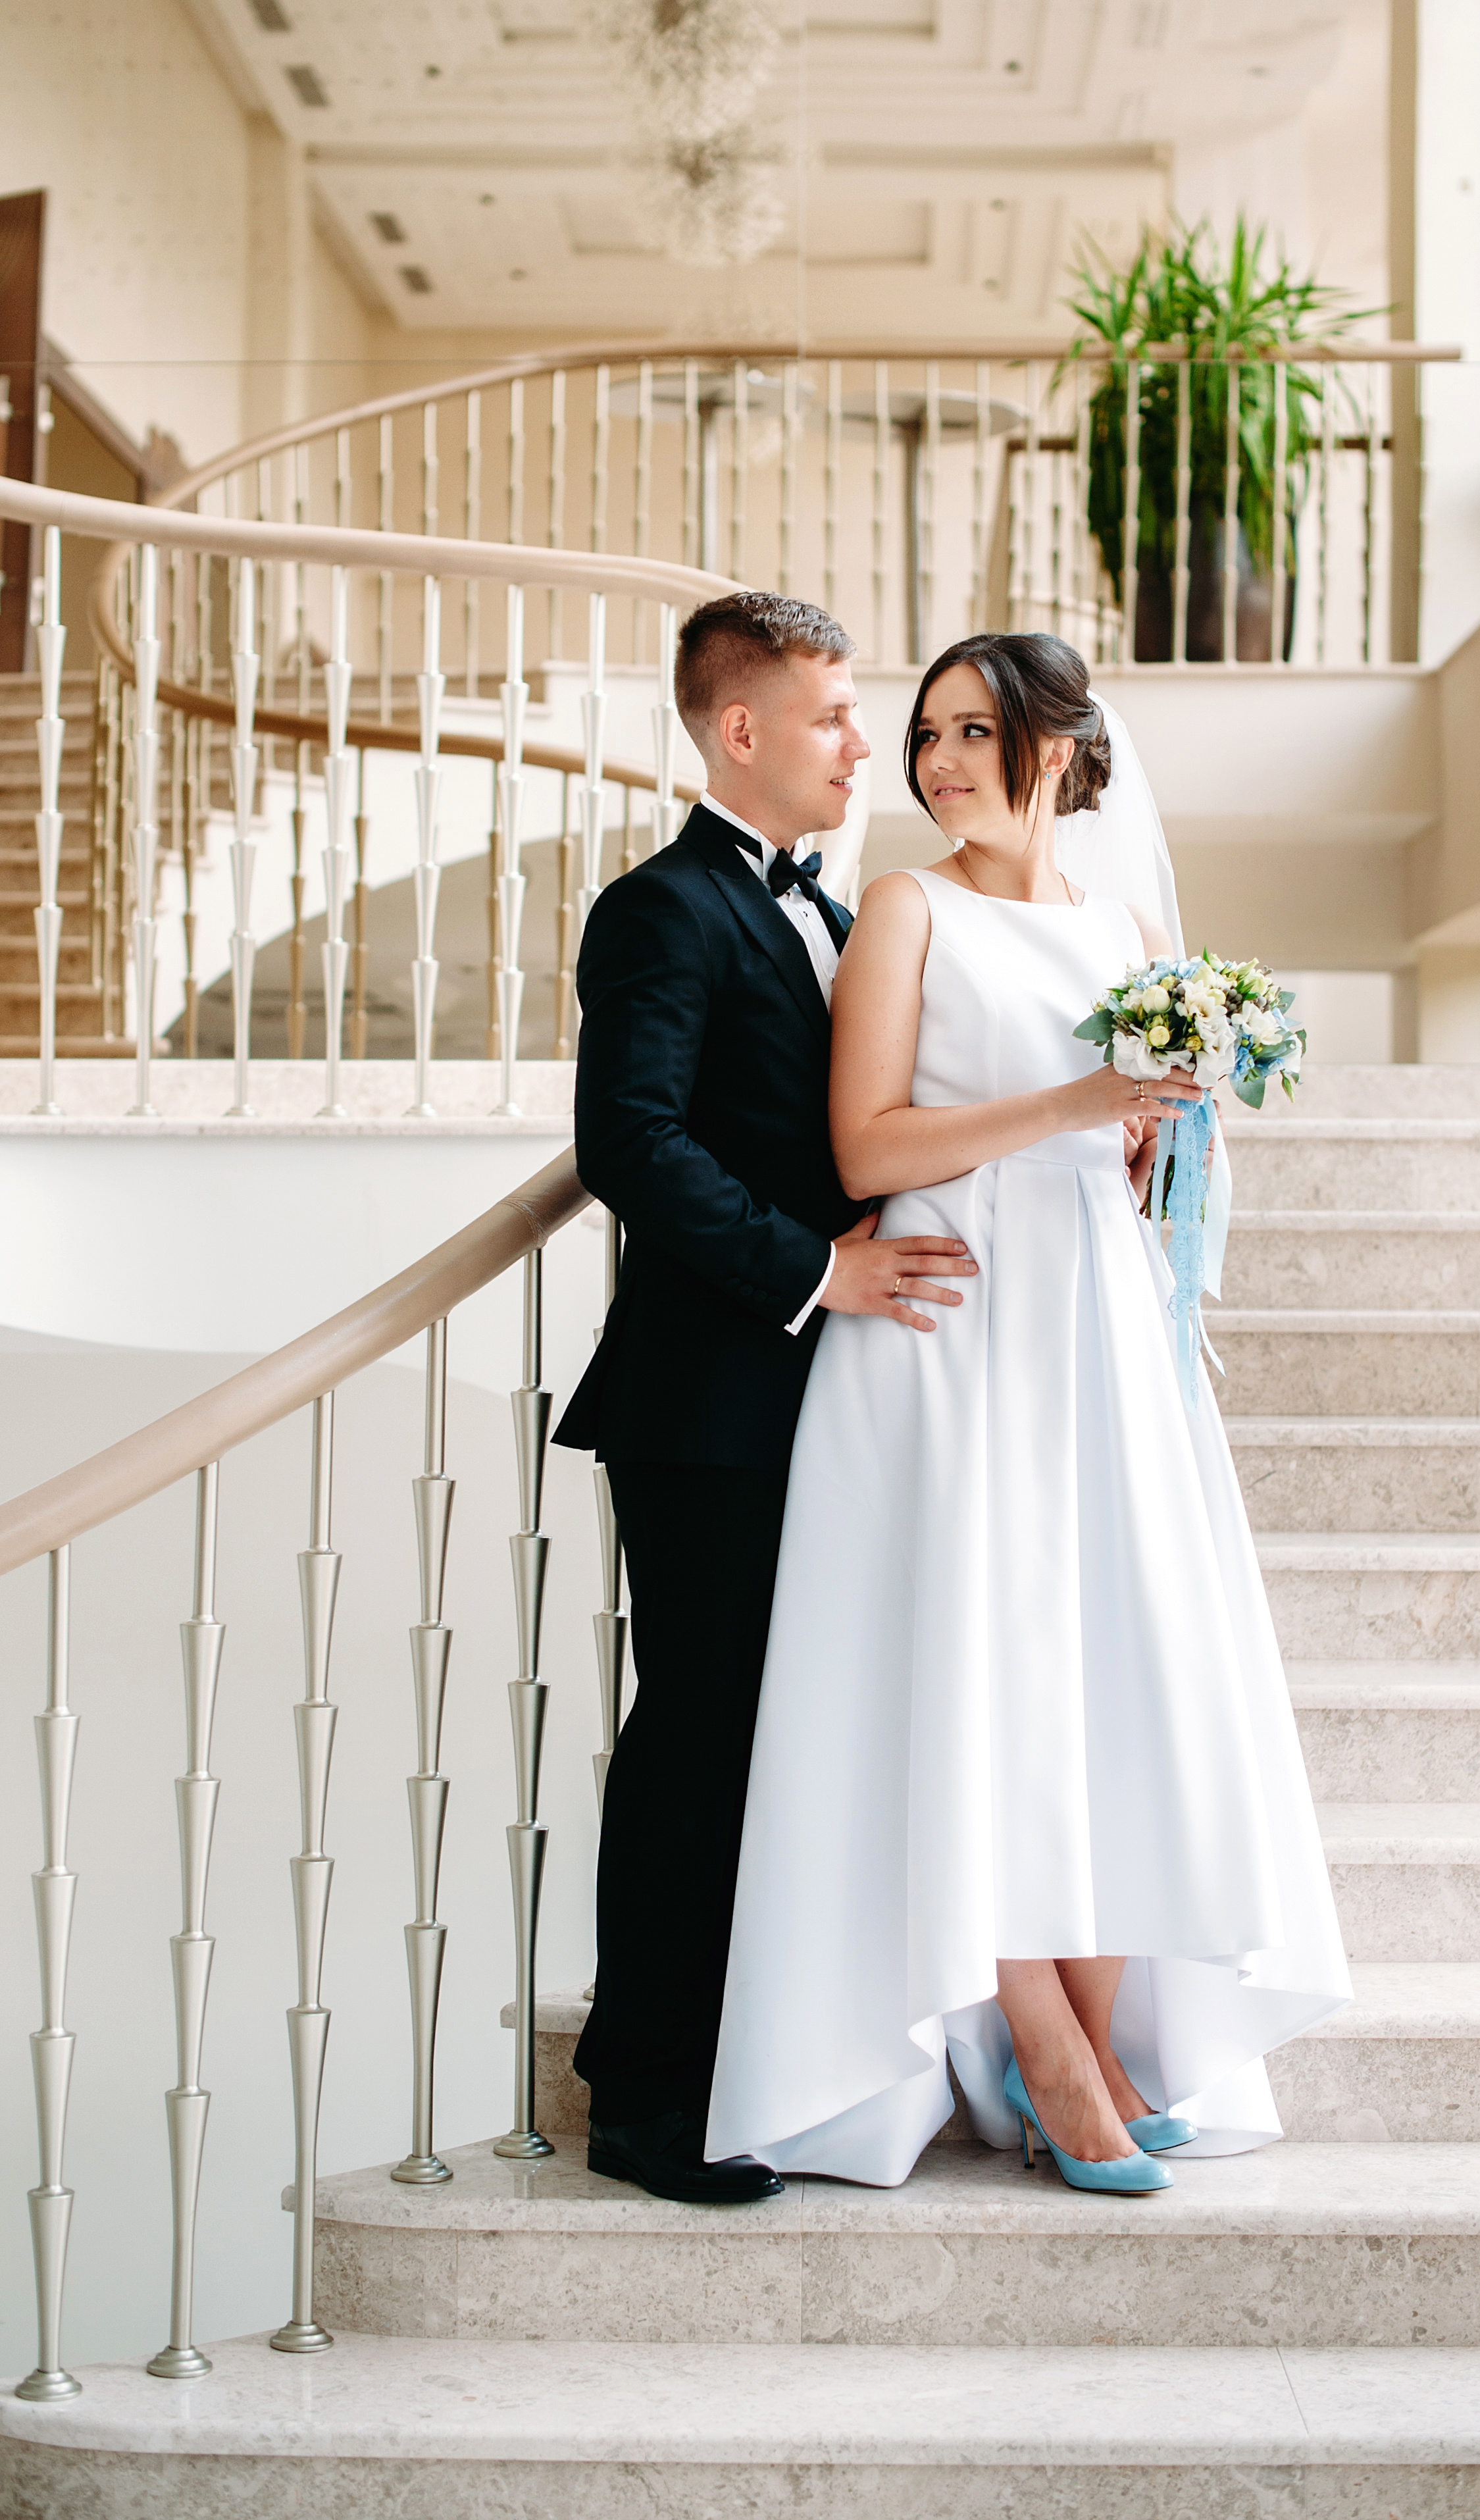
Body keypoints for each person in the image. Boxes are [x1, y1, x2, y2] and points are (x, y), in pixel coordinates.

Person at [706, 630, 1352, 2192]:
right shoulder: (902, 912)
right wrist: (1074, 1105)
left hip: (1099, 1325)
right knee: (981, 1673)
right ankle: (1043, 2054)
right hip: (953, 1326)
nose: (935, 764)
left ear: (1055, 754)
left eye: (971, 734)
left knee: (1117, 1669)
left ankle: (1107, 2036)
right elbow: (865, 1147)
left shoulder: (1121, 923)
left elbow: (1135, 1158)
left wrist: (1150, 1144)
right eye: (924, 734)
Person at [553, 590, 977, 2205]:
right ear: (741, 732)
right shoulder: (660, 910)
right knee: (702, 1745)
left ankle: (767, 2057)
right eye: (832, 716)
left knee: (796, 1742)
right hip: (710, 1399)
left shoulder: (846, 909)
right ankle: (646, 2096)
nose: (864, 743)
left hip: (835, 1400)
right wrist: (818, 1270)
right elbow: (632, 1146)